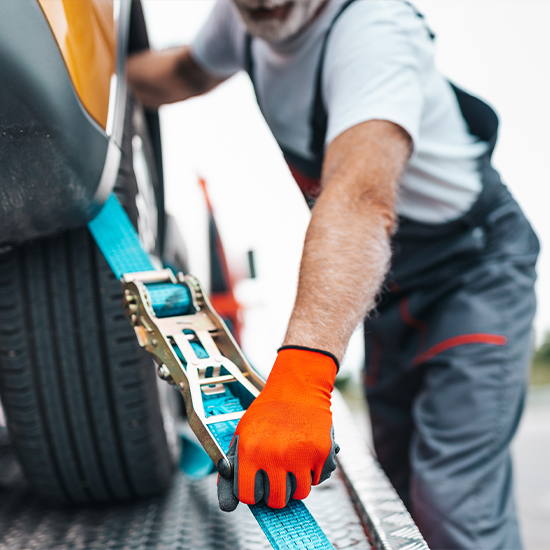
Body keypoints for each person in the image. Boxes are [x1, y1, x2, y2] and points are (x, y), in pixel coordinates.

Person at [127, 1, 539, 548]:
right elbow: (181, 74)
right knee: (401, 490)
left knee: (453, 507)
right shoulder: (243, 18)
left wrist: (301, 381)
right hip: (386, 283)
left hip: (473, 270)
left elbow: (361, 200)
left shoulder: (374, 31)